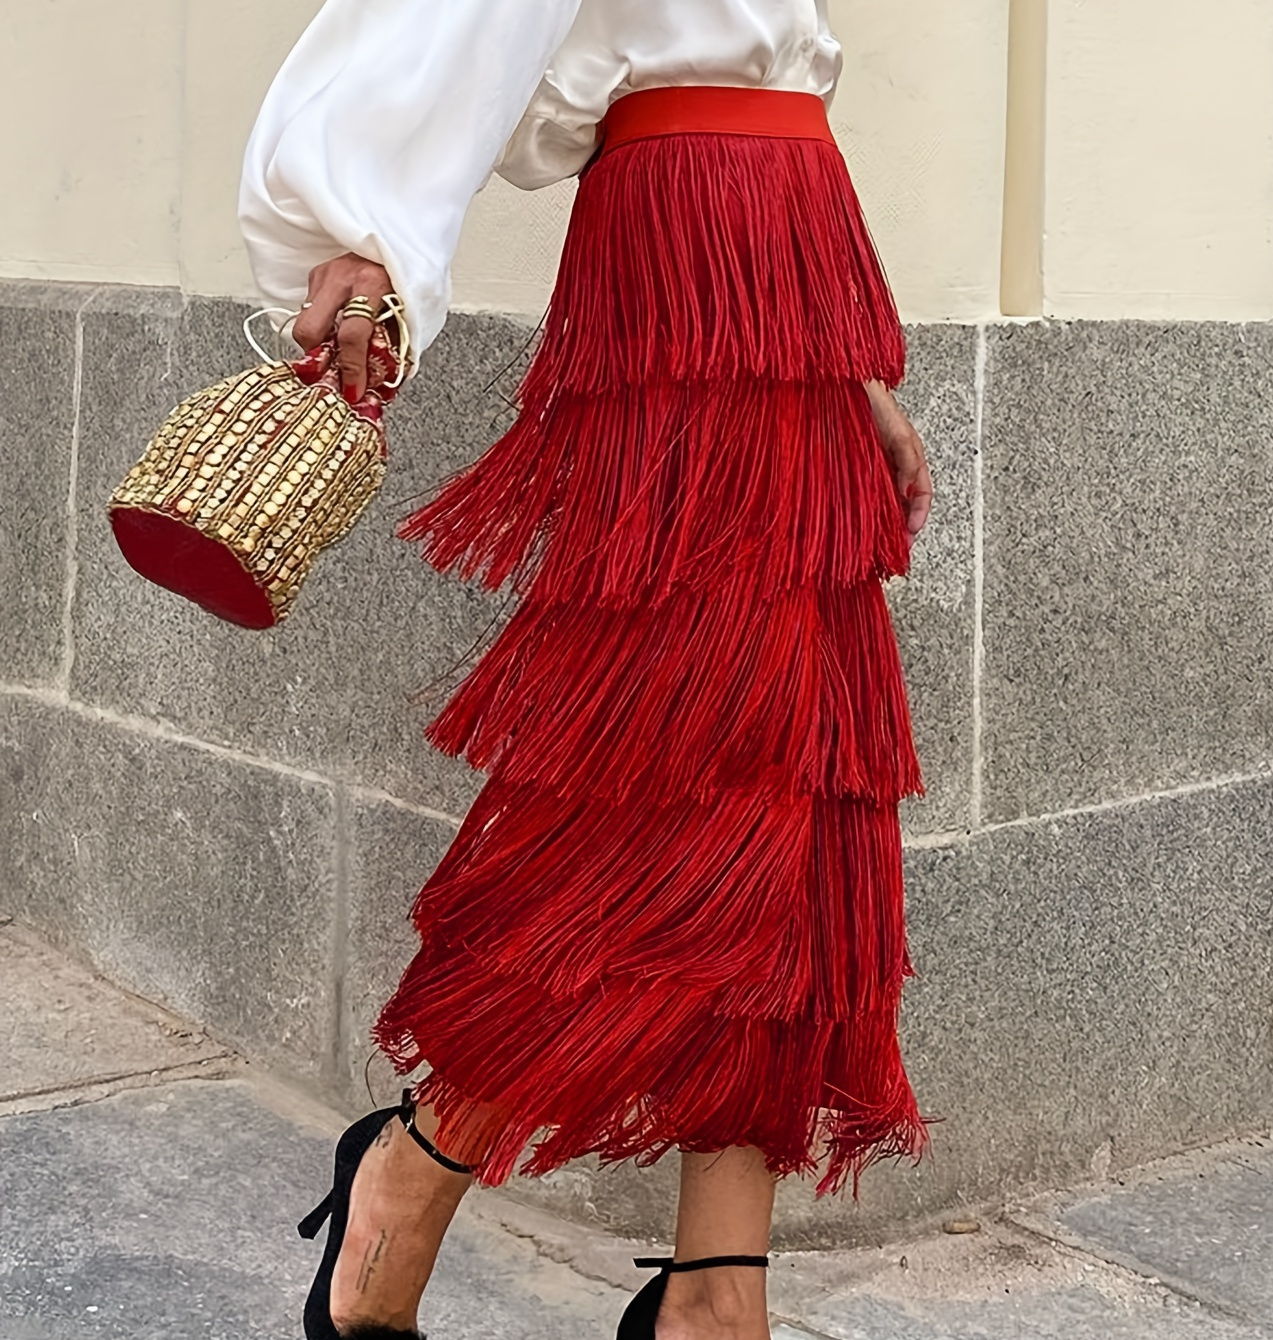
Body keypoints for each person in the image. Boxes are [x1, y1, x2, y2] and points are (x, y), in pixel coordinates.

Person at [240, 3, 935, 1338]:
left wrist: (843, 370)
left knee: (788, 788)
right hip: (682, 236)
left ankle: (716, 1291)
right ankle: (420, 1164)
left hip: (790, 241)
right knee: (666, 771)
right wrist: (361, 221)